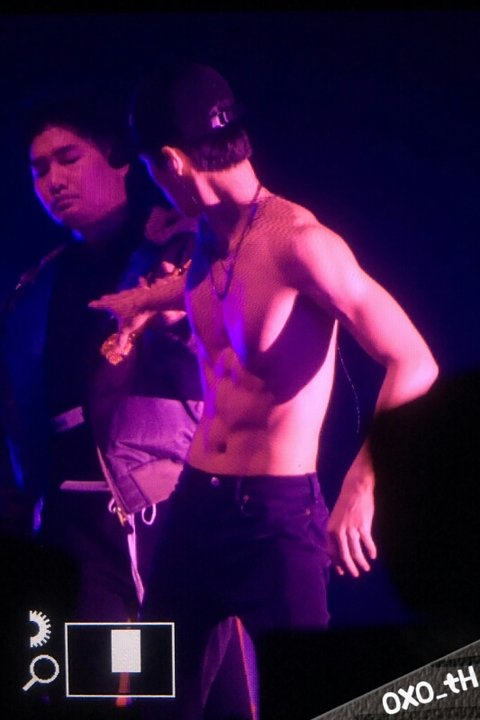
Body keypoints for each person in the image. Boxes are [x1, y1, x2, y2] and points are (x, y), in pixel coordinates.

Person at [90, 62, 439, 718]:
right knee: (151, 692)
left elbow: (414, 360)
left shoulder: (303, 243)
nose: (151, 184)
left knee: (308, 699)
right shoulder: (208, 232)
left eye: (148, 169)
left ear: (172, 161)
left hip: (276, 521)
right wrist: (146, 302)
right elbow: (226, 290)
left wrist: (362, 486)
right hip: (195, 502)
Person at [0, 82, 253, 719]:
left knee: (192, 689)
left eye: (69, 158)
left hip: (161, 508)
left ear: (119, 161)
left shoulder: (181, 248)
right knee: (105, 692)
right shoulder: (37, 285)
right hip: (75, 524)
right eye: (39, 170)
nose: (54, 180)